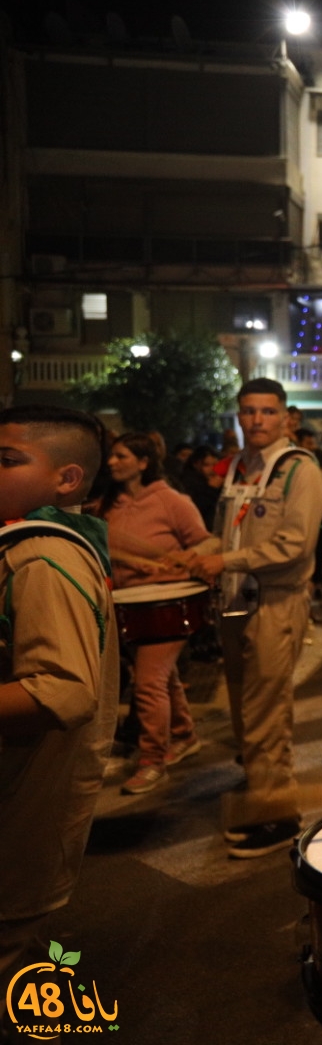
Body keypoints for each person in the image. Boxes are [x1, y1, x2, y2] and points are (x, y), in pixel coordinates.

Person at [0, 407, 119, 984]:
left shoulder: (44, 555)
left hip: (21, 796)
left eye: (7, 460)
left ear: (66, 480)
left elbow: (66, 692)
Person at [183, 379, 322, 858]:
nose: (257, 420)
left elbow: (295, 544)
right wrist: (196, 553)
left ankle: (279, 816)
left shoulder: (298, 469)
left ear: (286, 418)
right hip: (236, 602)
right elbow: (230, 536)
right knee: (246, 711)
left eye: (268, 412)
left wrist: (224, 561)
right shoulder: (241, 468)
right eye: (249, 412)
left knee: (266, 714)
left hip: (276, 602)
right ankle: (263, 797)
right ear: (238, 417)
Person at [92, 432, 212, 794]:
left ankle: (151, 759)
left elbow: (204, 544)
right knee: (162, 677)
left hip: (166, 606)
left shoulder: (172, 501)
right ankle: (184, 735)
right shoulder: (107, 505)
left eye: (121, 456)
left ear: (143, 462)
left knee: (148, 684)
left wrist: (171, 567)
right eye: (111, 456)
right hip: (127, 607)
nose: (112, 462)